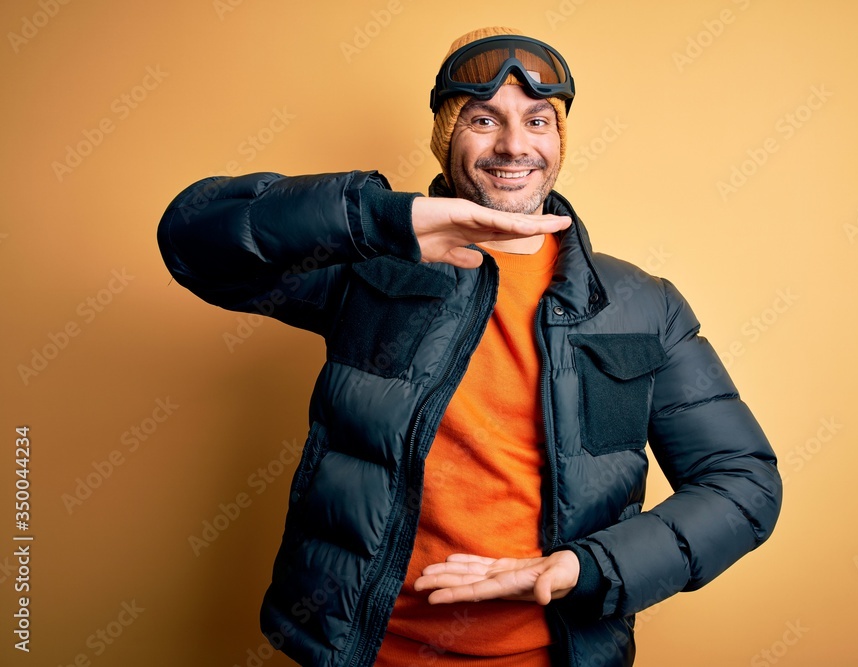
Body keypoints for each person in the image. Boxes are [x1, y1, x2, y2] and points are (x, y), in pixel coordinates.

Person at [157, 26, 781, 667]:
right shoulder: (368, 264)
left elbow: (743, 483)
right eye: (484, 119)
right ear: (446, 135)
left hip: (549, 654)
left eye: (538, 120)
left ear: (558, 138)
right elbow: (193, 238)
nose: (515, 145)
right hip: (364, 652)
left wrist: (585, 567)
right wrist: (379, 221)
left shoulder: (642, 304)